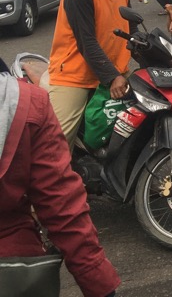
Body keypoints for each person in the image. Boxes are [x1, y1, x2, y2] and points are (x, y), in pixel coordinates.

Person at [0, 64, 120, 297]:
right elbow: (61, 205)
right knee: (60, 128)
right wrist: (100, 285)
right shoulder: (25, 100)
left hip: (100, 73)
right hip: (73, 76)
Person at [46, 0, 137, 150]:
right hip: (74, 75)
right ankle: (51, 180)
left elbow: (131, 29)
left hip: (114, 71)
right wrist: (112, 76)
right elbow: (87, 42)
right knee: (56, 144)